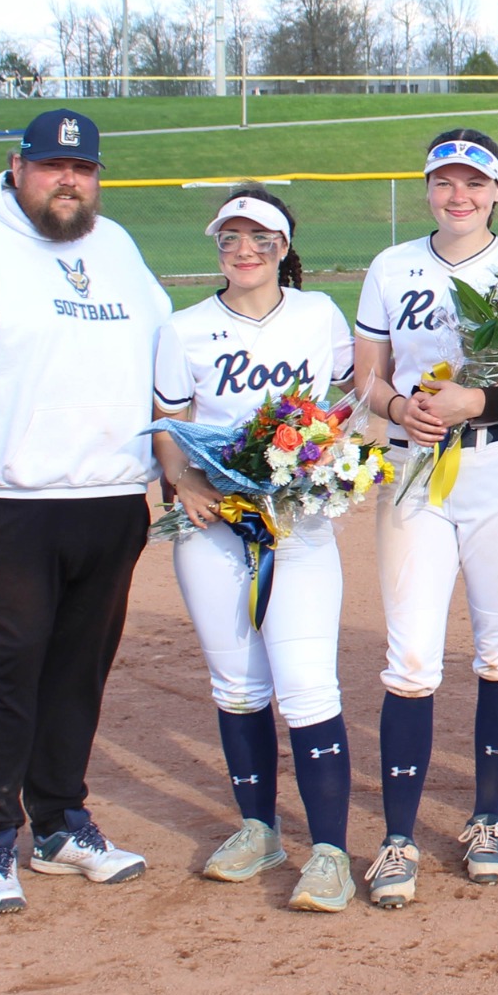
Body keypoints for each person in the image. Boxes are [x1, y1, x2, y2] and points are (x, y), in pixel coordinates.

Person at [0, 108, 171, 916]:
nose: (68, 181)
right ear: (17, 167)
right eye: (52, 167)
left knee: (78, 673)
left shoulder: (115, 248)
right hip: (5, 507)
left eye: (82, 169)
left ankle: (58, 824)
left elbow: (166, 356)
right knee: (4, 677)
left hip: (110, 502)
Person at [352, 130, 498, 909]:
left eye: (474, 181)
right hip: (413, 471)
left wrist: (476, 401)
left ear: (496, 190)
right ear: (429, 187)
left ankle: (487, 820)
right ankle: (398, 836)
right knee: (411, 659)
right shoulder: (390, 266)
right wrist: (399, 405)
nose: (458, 194)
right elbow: (365, 376)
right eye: (444, 181)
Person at [152, 187, 359, 911]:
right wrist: (183, 487)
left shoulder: (317, 315)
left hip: (296, 527)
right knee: (237, 686)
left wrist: (330, 462)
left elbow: (349, 401)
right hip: (214, 528)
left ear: (283, 247)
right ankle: (259, 828)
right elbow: (168, 426)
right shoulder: (182, 328)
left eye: (259, 238)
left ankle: (329, 850)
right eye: (230, 238)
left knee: (308, 686)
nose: (243, 250)